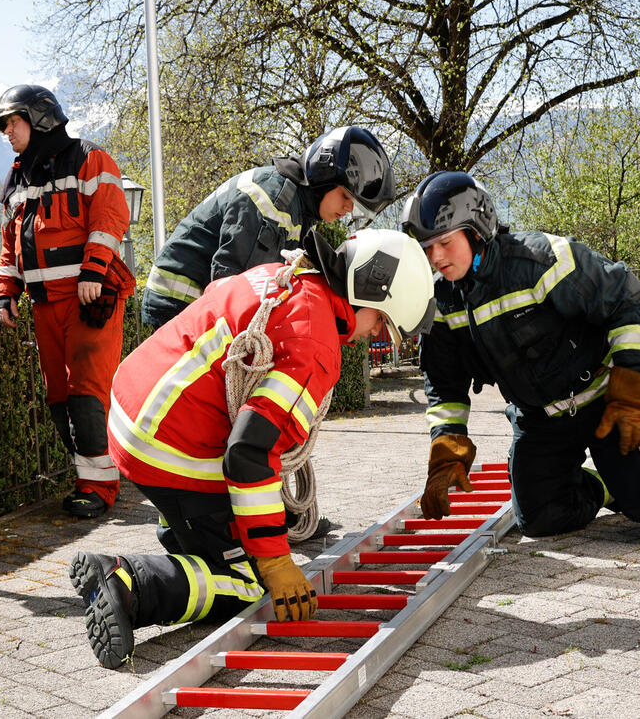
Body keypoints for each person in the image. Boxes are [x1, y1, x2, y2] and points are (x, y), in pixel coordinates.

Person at [69, 229, 435, 669]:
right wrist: (276, 561)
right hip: (167, 446)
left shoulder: (287, 276)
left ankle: (187, 532)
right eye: (380, 321)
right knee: (249, 581)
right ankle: (129, 583)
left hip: (133, 411)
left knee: (241, 525)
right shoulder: (316, 343)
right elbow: (248, 453)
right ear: (369, 290)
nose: (370, 335)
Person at [401, 171, 640, 537]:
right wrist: (448, 446)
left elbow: (628, 300)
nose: (435, 256)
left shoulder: (543, 260)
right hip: (540, 419)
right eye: (427, 247)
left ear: (476, 229)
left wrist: (631, 393)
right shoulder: (441, 302)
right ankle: (611, 484)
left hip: (607, 400)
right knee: (540, 519)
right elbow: (444, 382)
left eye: (444, 242)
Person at [0, 85, 135, 519]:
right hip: (44, 305)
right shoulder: (18, 177)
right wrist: (5, 292)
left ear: (40, 118)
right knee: (60, 399)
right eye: (3, 126)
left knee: (87, 395)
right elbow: (9, 243)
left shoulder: (90, 158)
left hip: (90, 298)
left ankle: (99, 488)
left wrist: (93, 270)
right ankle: (91, 478)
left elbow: (110, 216)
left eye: (12, 123)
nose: (7, 133)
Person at [141, 125, 396, 329]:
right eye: (346, 197)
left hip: (187, 303)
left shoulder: (296, 207)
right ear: (324, 175)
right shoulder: (275, 202)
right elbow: (239, 290)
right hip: (178, 303)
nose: (349, 209)